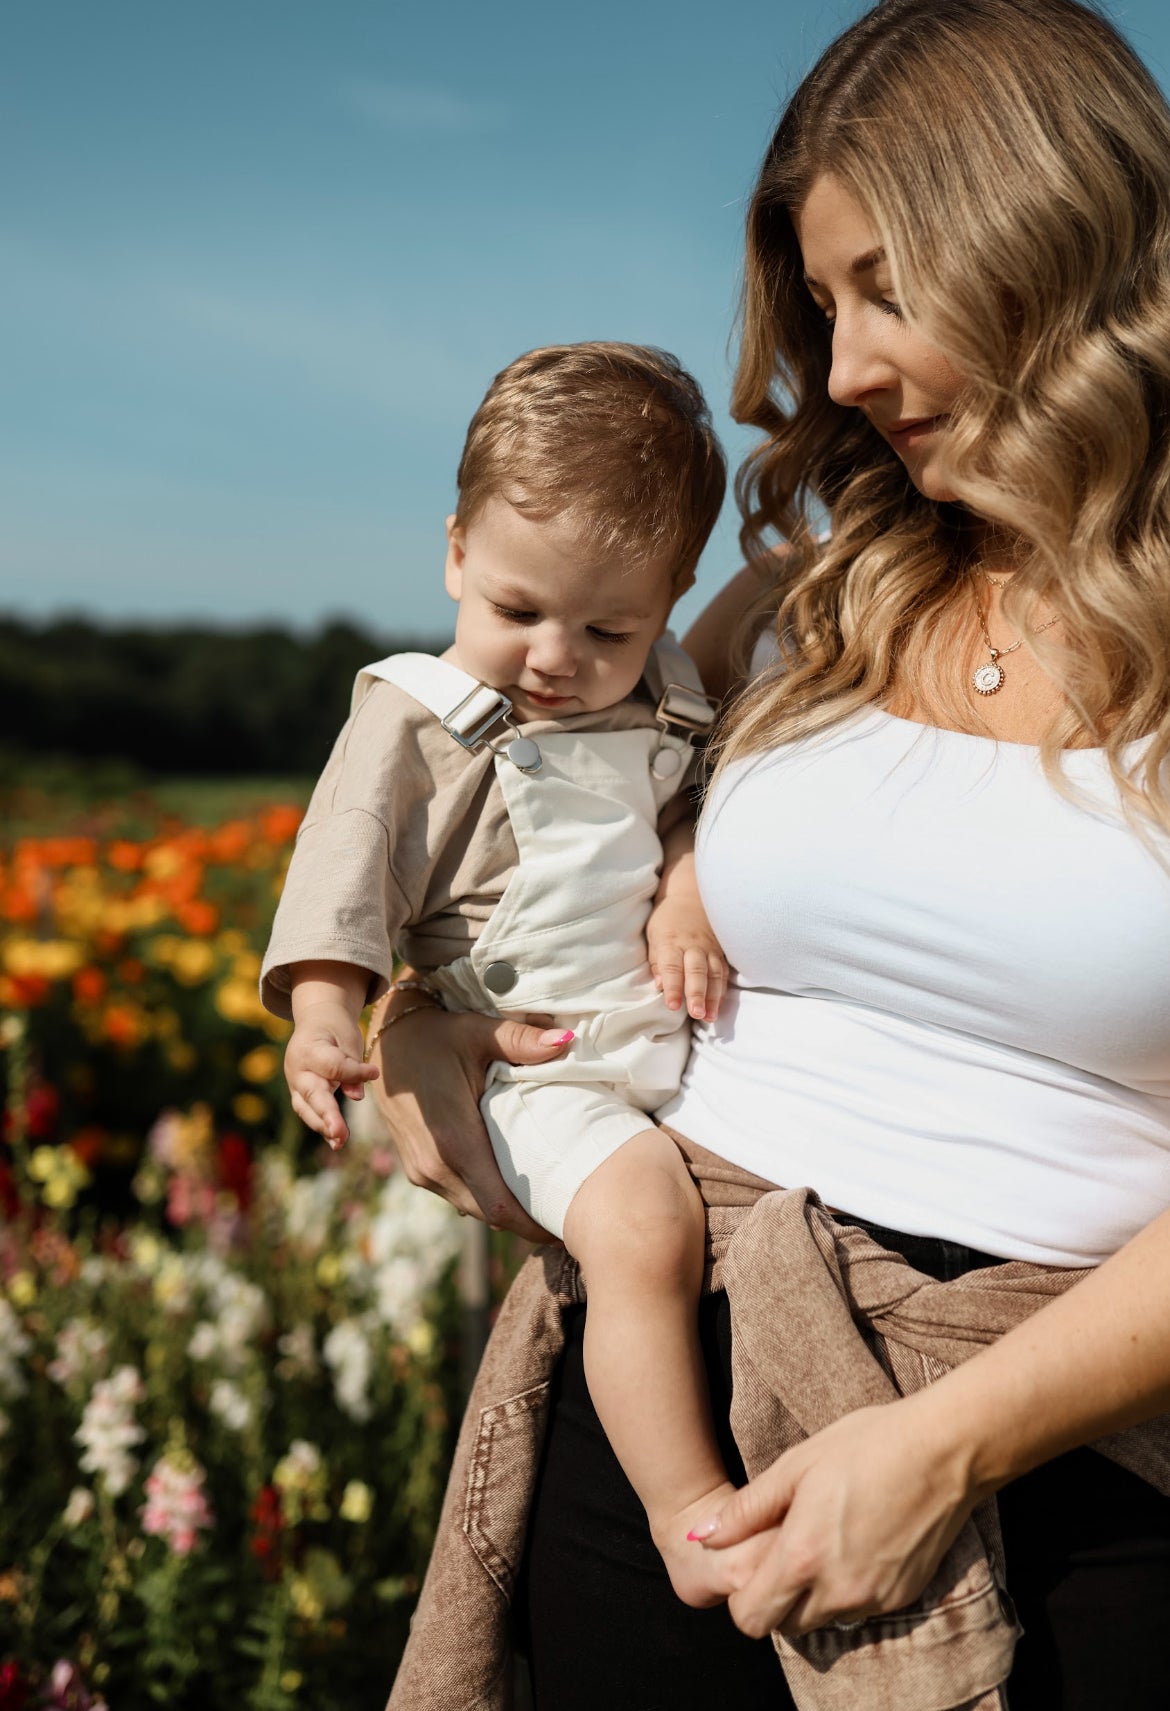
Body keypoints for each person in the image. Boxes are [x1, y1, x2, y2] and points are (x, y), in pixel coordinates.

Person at [367, 2, 1170, 1707]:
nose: (850, 367)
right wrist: (427, 1027)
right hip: (664, 1414)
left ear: (1058, 245)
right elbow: (545, 827)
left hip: (1067, 1476)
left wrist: (943, 1448)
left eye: (888, 287)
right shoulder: (810, 602)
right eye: (823, 307)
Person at [262, 341, 782, 1604]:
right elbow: (347, 867)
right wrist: (332, 1013)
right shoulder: (416, 719)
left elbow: (685, 807)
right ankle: (686, 1513)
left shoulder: (664, 695)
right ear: (454, 553)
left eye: (607, 625)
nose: (555, 654)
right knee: (645, 1231)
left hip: (656, 1049)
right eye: (516, 610)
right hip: (531, 1059)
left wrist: (688, 868)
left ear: (674, 597)